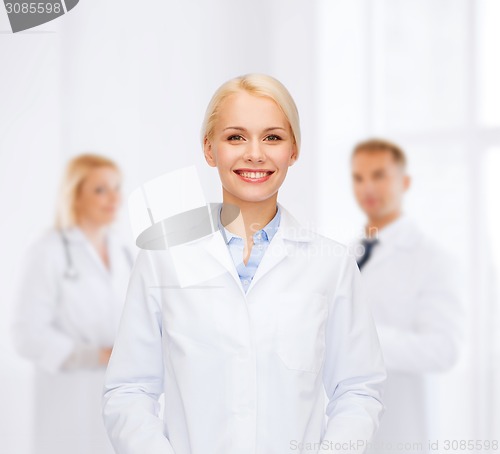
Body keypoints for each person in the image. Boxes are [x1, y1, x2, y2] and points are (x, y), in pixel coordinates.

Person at [102, 74, 386, 454]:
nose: (255, 153)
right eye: (235, 137)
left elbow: (358, 389)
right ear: (209, 149)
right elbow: (129, 390)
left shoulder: (331, 266)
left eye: (273, 137)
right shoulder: (163, 258)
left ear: (294, 151)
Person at [12, 154, 134, 454]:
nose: (114, 198)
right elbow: (25, 335)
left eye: (117, 187)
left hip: (119, 399)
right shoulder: (47, 251)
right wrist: (93, 355)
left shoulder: (124, 252)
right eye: (100, 189)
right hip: (68, 401)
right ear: (75, 195)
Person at [350, 139, 465, 453]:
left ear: (405, 182)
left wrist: (364, 340)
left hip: (400, 429)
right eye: (358, 178)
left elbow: (444, 349)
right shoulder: (348, 254)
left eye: (379, 175)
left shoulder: (433, 259)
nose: (367, 187)